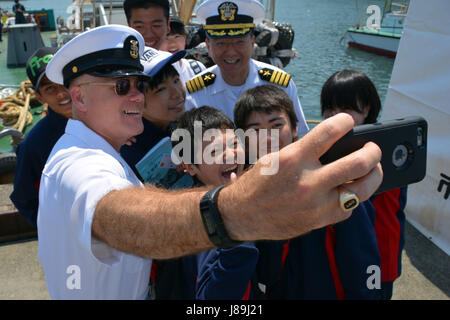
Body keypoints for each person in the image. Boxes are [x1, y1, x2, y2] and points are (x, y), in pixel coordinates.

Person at [38, 24, 383, 300]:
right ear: (79, 96)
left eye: (140, 84)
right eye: (122, 85)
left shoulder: (103, 155)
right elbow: (123, 220)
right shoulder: (78, 165)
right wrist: (242, 210)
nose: (137, 96)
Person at [321, 69, 407, 300]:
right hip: (346, 255)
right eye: (329, 110)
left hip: (382, 248)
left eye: (347, 110)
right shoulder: (324, 150)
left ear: (368, 109)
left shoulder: (389, 150)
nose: (336, 118)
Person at [184, 0, 309, 135]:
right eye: (221, 43)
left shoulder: (280, 84)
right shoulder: (195, 93)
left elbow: (299, 135)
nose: (231, 52)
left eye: (239, 42)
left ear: (252, 42)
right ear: (208, 46)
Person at [172, 106, 255, 300]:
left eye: (234, 144)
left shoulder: (246, 195)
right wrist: (238, 231)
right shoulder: (198, 222)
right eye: (214, 151)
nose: (230, 154)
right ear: (190, 167)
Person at [10, 47, 72, 227]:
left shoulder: (103, 118)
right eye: (50, 87)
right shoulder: (32, 145)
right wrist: (54, 230)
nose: (61, 93)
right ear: (39, 96)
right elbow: (24, 198)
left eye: (64, 81)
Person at [120, 48, 187, 176]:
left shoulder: (181, 129)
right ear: (136, 100)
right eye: (161, 89)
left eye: (176, 80)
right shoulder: (129, 149)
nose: (177, 94)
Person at [160, 18, 207, 83]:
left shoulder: (197, 68)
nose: (172, 43)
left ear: (185, 38)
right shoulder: (149, 74)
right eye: (165, 38)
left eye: (177, 37)